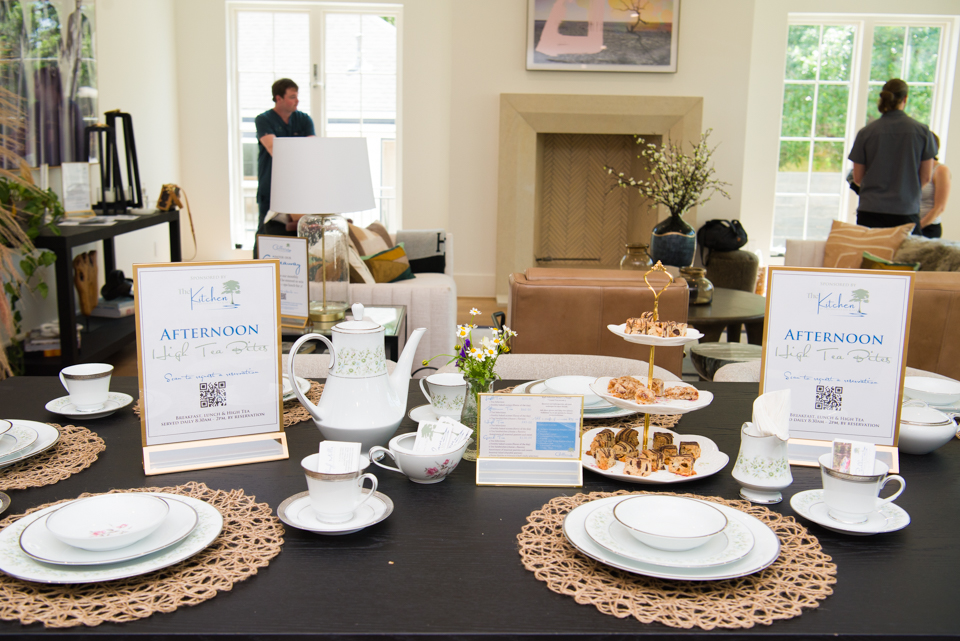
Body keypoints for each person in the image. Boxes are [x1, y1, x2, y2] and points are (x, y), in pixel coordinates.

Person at [848, 78, 938, 235]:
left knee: (871, 257)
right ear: (905, 99)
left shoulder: (866, 133)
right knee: (905, 258)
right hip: (905, 210)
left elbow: (857, 178)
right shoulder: (922, 132)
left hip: (870, 210)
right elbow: (925, 178)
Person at [254, 78, 315, 243]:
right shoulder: (264, 120)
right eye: (292, 97)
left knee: (297, 233)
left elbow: (312, 152)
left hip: (298, 188)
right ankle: (260, 266)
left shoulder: (304, 119)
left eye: (297, 96)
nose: (297, 101)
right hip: (271, 186)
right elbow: (274, 150)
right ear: (278, 98)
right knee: (265, 232)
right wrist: (299, 151)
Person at [919, 134, 951, 239]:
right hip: (908, 226)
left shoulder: (941, 170)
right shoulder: (911, 168)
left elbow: (939, 208)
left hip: (928, 228)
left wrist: (918, 228)